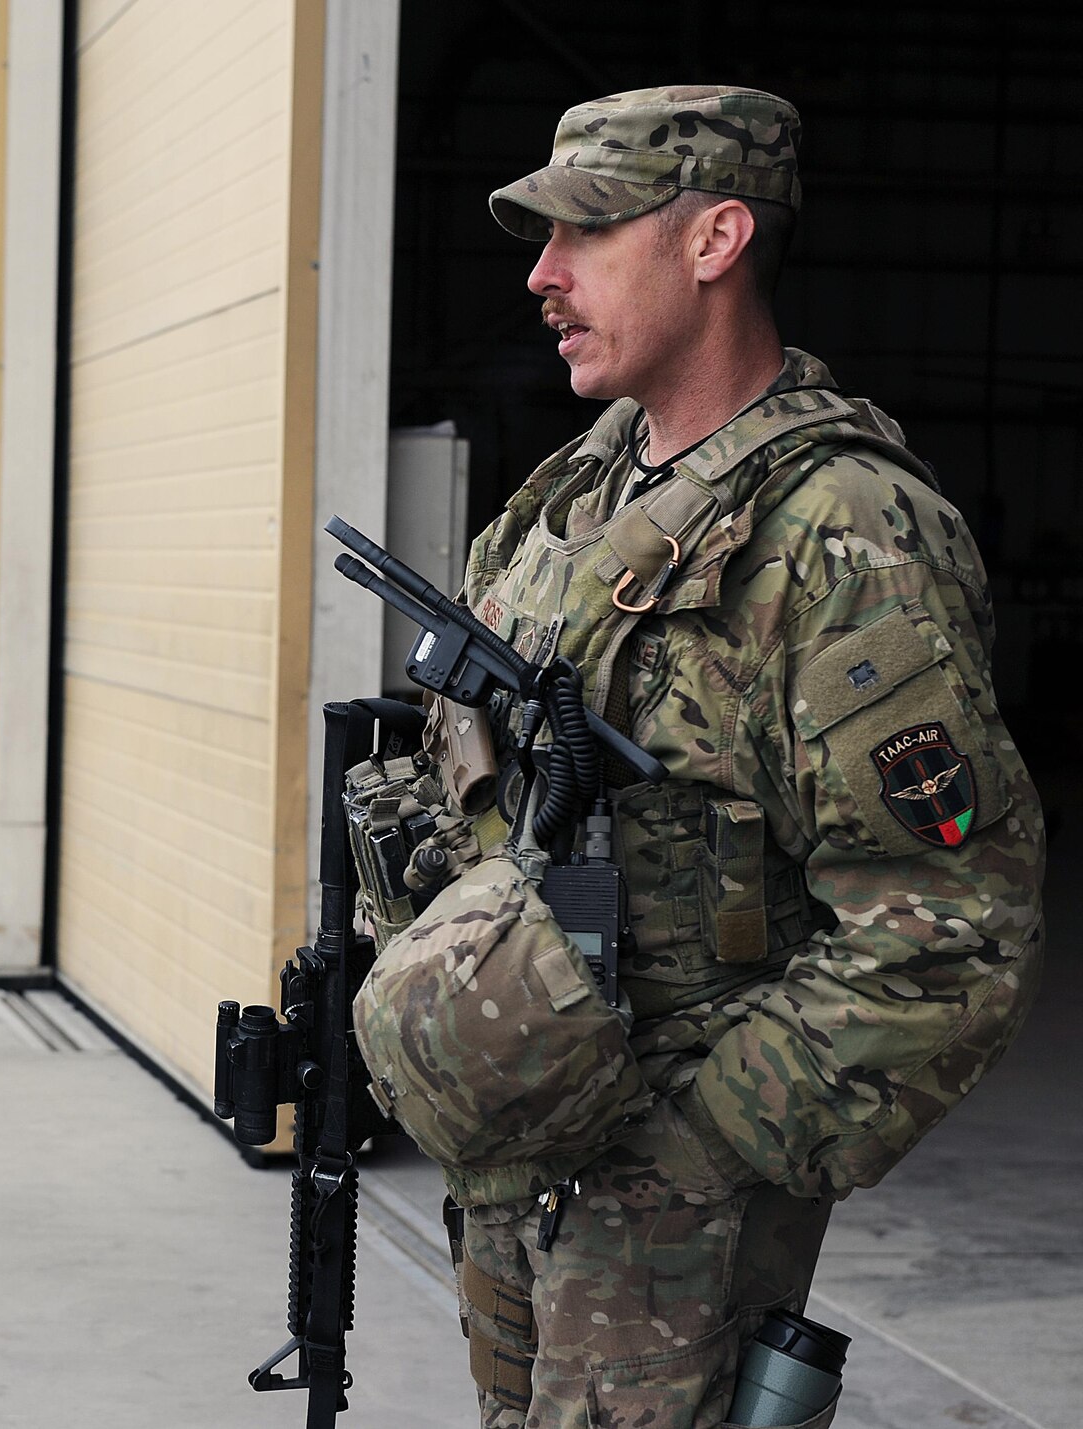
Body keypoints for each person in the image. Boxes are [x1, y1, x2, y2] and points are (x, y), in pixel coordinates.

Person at [433, 87, 1045, 1427]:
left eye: (584, 235)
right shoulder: (570, 503)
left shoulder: (842, 535)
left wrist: (700, 1151)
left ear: (715, 240)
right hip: (522, 1154)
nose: (541, 276)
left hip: (675, 1211)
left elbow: (948, 931)